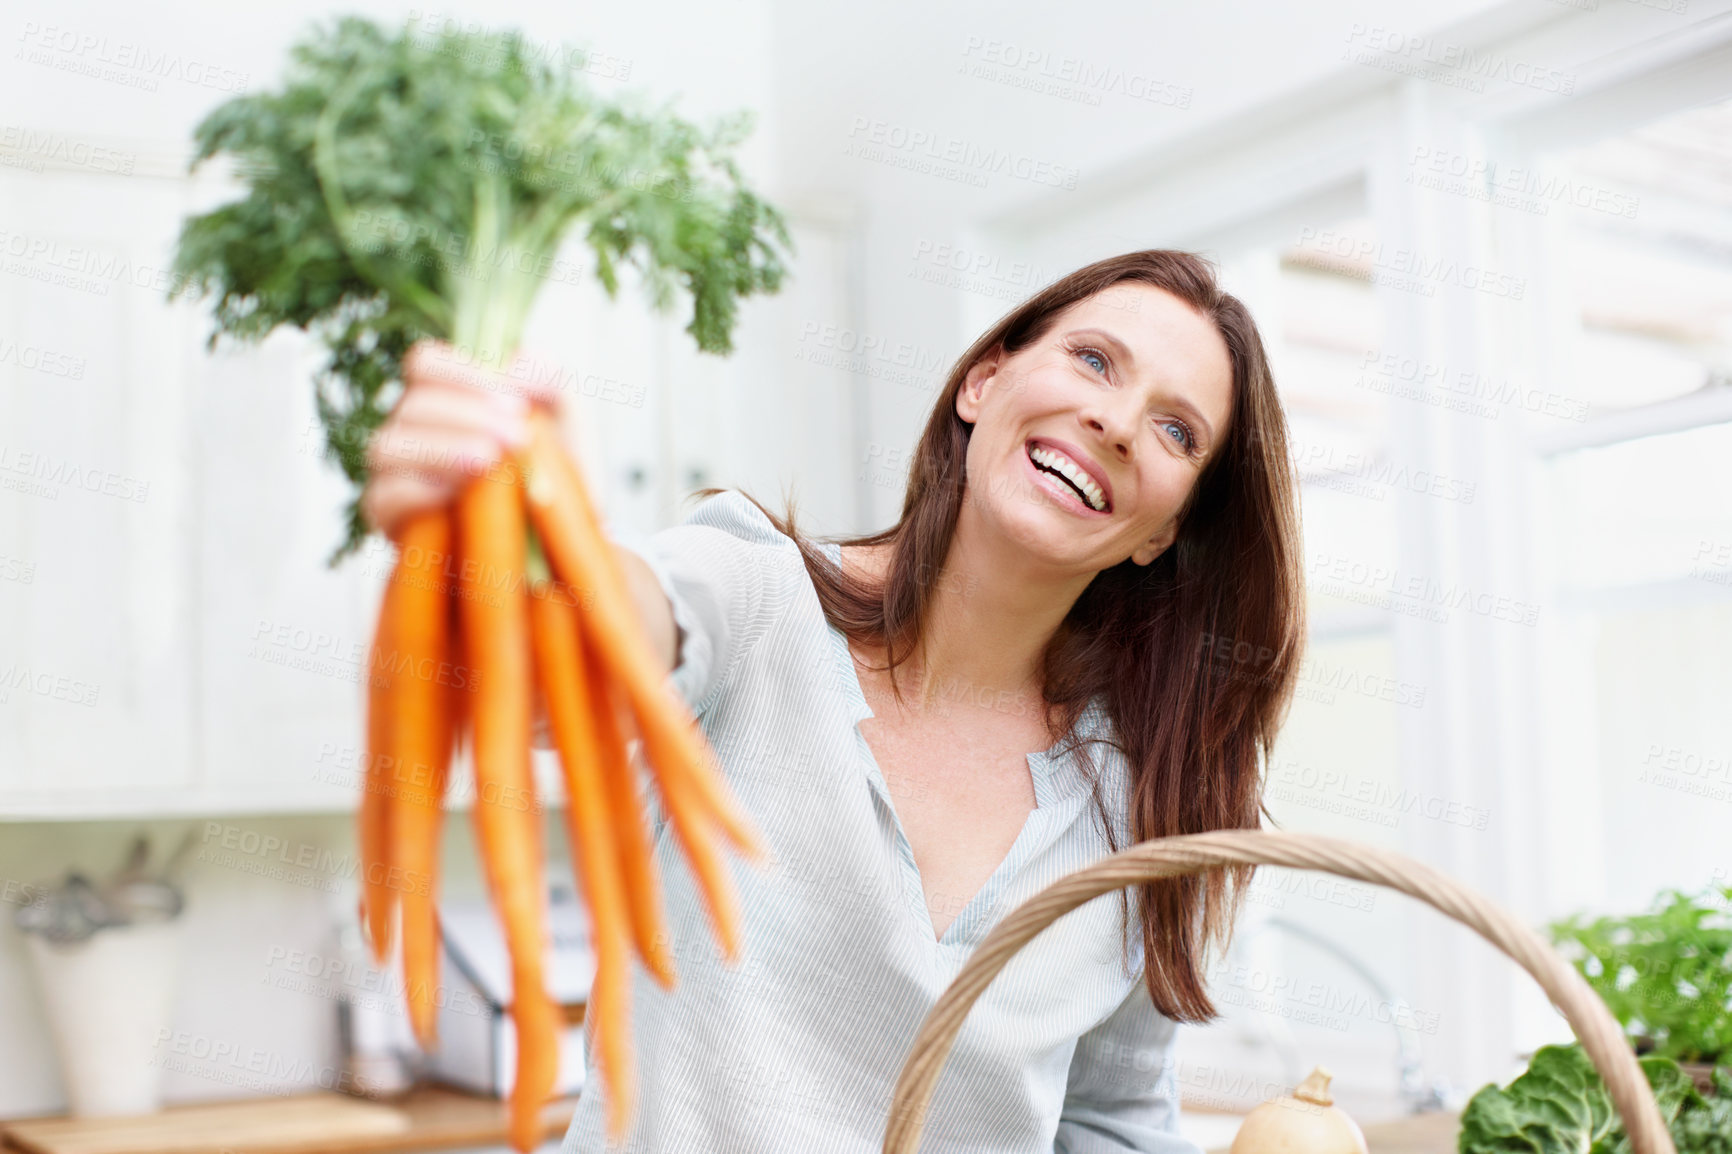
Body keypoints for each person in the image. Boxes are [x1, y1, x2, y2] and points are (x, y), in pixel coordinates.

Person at [361, 249, 1305, 1152]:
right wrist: (506, 531)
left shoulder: (1141, 808)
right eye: (1094, 360)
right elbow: (558, 662)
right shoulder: (757, 599)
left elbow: (1110, 1124)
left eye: (1178, 430)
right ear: (983, 382)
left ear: (1164, 531)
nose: (1118, 420)